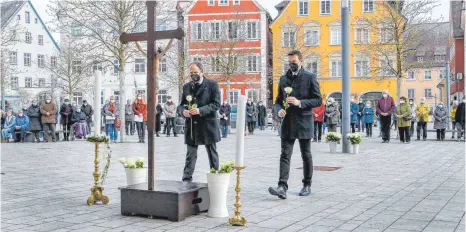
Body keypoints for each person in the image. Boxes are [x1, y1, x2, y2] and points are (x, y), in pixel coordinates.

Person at [268, 50, 322, 199]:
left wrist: (300, 103)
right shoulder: (283, 79)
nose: (291, 65)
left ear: (301, 61)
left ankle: (307, 184)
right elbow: (278, 101)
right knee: (285, 154)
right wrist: (278, 110)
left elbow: (318, 100)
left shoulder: (310, 77)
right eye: (289, 62)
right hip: (288, 122)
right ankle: (282, 186)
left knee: (306, 154)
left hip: (304, 120)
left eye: (294, 62)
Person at [180, 62, 221, 182]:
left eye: (195, 73)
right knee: (190, 155)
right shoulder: (187, 86)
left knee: (212, 153)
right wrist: (183, 111)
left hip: (208, 125)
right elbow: (182, 105)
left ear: (202, 72)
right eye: (191, 73)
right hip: (192, 126)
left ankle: (215, 177)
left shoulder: (212, 84)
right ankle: (186, 179)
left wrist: (200, 110)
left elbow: (216, 104)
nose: (193, 75)